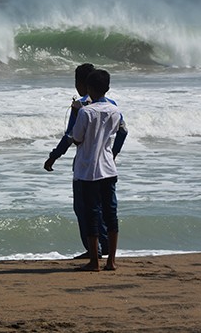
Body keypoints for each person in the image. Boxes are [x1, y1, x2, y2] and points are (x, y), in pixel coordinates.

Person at [44, 64, 127, 259]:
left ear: (83, 84)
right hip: (107, 166)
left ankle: (93, 251)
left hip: (86, 166)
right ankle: (105, 247)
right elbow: (123, 131)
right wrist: (113, 153)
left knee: (84, 208)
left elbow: (70, 137)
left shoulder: (80, 106)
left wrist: (54, 156)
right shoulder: (112, 105)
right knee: (105, 209)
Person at [71, 69, 124, 271]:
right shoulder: (115, 110)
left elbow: (77, 138)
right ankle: (111, 261)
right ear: (107, 89)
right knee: (111, 214)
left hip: (88, 170)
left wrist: (76, 112)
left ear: (89, 88)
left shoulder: (85, 112)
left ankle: (94, 261)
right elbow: (119, 132)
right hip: (109, 168)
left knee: (92, 214)